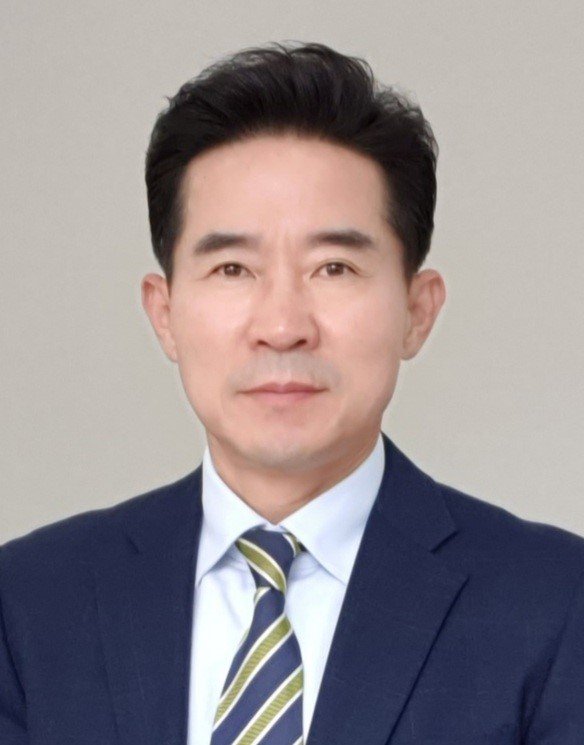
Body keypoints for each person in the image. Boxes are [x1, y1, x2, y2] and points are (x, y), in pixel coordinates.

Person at [1, 40, 583, 745]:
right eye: (232, 269)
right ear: (165, 313)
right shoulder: (27, 604)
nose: (282, 327)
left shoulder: (556, 604)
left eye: (334, 267)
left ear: (416, 310)